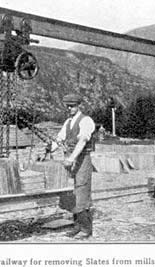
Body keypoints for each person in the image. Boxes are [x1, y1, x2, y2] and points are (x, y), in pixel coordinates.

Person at [49, 93, 95, 239]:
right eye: (67, 106)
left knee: (81, 191)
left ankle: (86, 229)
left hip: (82, 159)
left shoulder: (86, 121)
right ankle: (77, 226)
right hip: (70, 160)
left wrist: (71, 158)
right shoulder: (68, 122)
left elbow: (82, 141)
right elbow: (59, 139)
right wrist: (49, 149)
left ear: (79, 106)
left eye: (72, 106)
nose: (69, 108)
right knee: (72, 194)